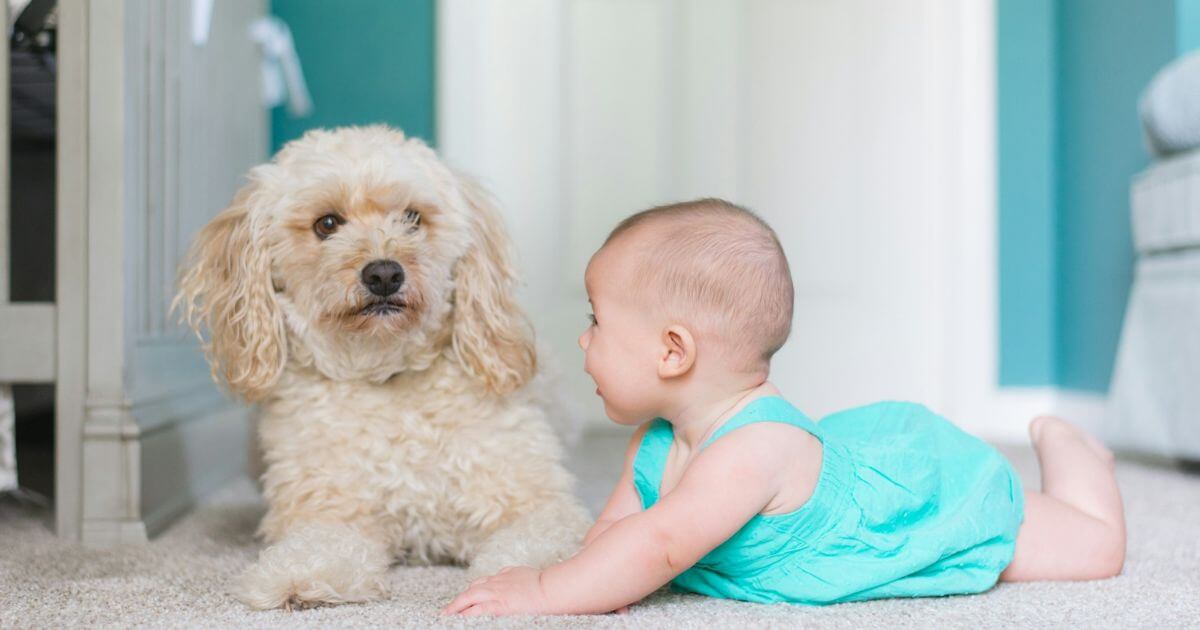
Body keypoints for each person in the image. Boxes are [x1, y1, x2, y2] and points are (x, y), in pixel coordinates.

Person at [443, 198, 1127, 616]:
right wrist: (591, 579)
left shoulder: (750, 452)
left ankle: (1072, 452)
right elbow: (619, 536)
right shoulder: (654, 441)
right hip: (840, 459)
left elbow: (658, 545)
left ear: (672, 352)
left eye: (598, 323)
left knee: (1094, 551)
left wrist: (545, 591)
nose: (583, 340)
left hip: (913, 498)